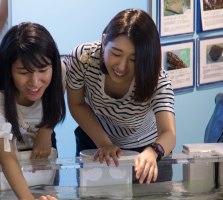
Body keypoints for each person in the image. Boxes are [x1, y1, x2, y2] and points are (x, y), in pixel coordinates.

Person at [64, 9, 176, 185]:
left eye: (134, 59)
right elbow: (77, 104)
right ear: (103, 41)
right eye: (116, 54)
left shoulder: (157, 79)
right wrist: (103, 143)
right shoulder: (83, 59)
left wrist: (152, 151)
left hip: (145, 146)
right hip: (96, 140)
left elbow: (168, 133)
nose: (121, 67)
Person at [0, 22, 63, 200]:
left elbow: (61, 93)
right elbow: (6, 155)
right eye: (24, 72)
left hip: (37, 167)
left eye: (42, 70)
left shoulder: (60, 70)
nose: (35, 82)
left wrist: (46, 130)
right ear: (8, 70)